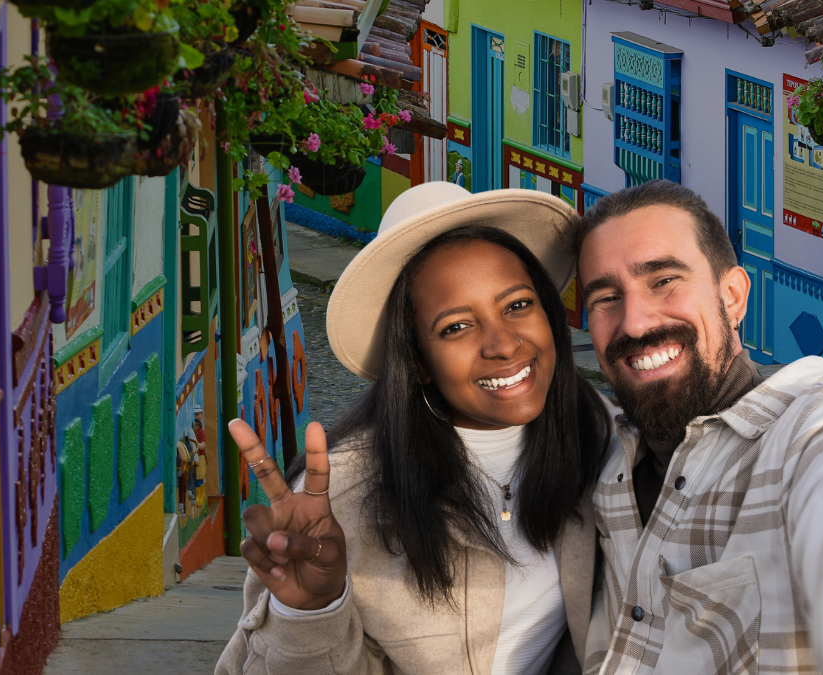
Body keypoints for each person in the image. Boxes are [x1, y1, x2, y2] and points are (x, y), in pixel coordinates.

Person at [216, 182, 611, 674]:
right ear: (418, 360)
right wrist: (309, 610)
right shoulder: (346, 497)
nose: (503, 345)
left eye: (516, 305)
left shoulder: (599, 433)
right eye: (456, 327)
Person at [574, 180, 823, 675]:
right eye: (606, 298)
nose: (635, 323)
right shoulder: (604, 461)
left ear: (733, 297)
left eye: (664, 280)